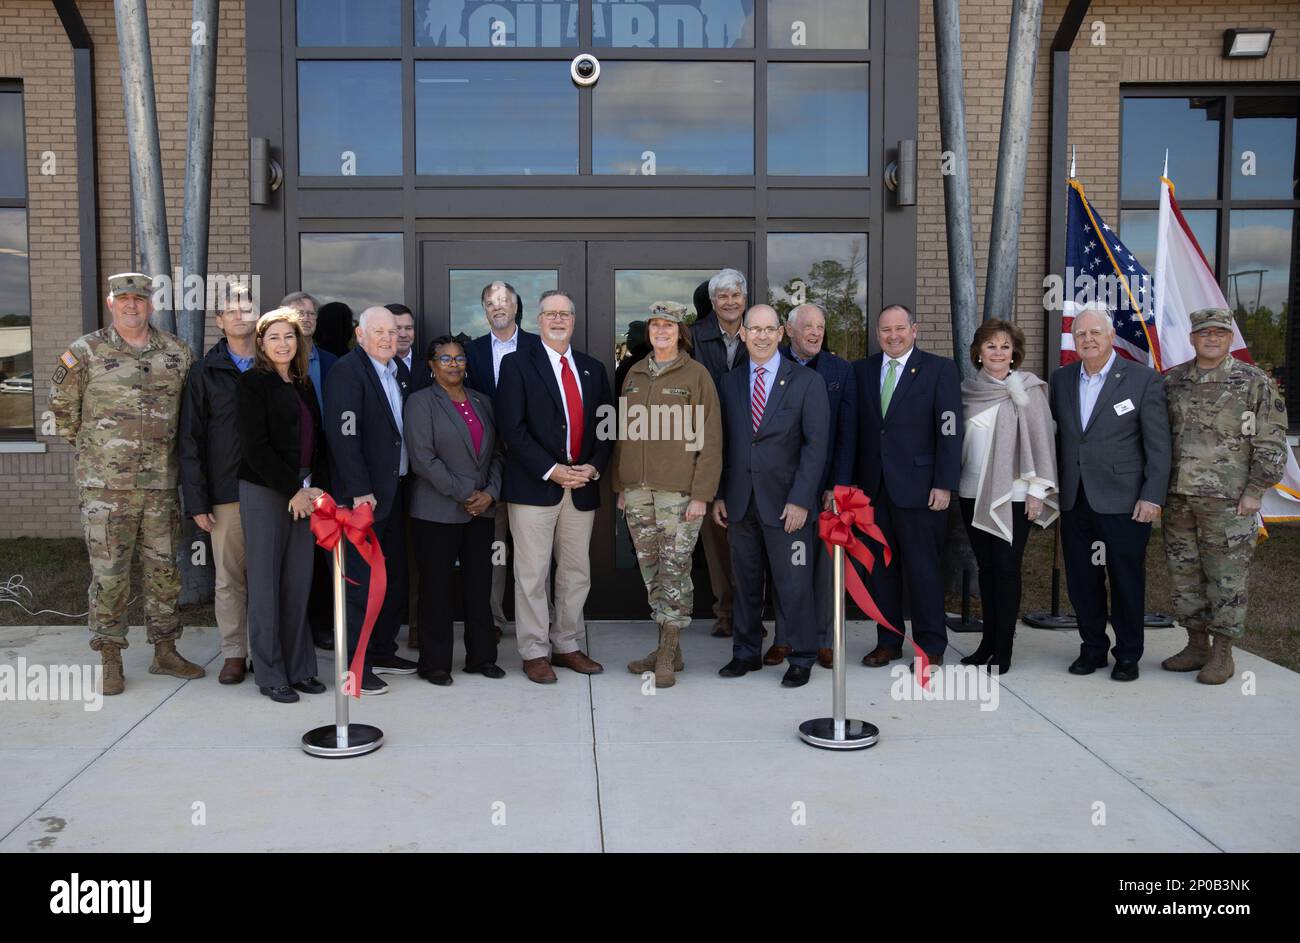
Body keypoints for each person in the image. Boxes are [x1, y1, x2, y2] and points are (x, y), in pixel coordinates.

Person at [48, 272, 204, 695]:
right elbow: (63, 412)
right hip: (106, 489)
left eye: (139, 298)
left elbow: (191, 416)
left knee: (163, 572)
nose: (131, 305)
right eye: (123, 298)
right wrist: (97, 454)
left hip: (160, 486)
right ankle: (111, 656)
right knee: (109, 574)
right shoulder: (86, 351)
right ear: (110, 302)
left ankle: (165, 650)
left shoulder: (176, 353)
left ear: (151, 304)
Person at [1161, 307, 1289, 684]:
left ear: (1230, 338)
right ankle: (1196, 644)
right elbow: (1157, 438)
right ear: (1192, 338)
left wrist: (1255, 491)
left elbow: (1272, 441)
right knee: (1184, 575)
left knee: (1226, 578)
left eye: (1219, 332)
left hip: (1229, 501)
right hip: (1179, 497)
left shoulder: (1254, 382)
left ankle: (1223, 653)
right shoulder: (1174, 382)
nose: (1212, 338)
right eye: (1204, 333)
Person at [496, 289, 613, 684]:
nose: (558, 320)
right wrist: (552, 469)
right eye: (550, 314)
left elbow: (606, 426)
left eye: (565, 314)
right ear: (539, 321)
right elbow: (511, 429)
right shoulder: (516, 365)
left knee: (576, 572)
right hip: (535, 486)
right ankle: (534, 651)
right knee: (532, 573)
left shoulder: (593, 368)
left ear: (574, 321)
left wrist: (593, 468)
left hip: (582, 486)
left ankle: (566, 644)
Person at [1048, 304, 1171, 682]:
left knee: (1125, 580)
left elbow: (1159, 445)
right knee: (1082, 580)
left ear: (1111, 336)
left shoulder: (1142, 380)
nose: (1087, 339)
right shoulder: (1061, 379)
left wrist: (1152, 496)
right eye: (1081, 334)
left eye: (1094, 333)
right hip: (1076, 499)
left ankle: (1128, 654)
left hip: (1124, 501)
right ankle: (1093, 649)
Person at [713, 305, 829, 688]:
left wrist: (800, 500)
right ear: (742, 334)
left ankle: (801, 654)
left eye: (768, 329)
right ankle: (745, 653)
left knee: (794, 583)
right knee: (745, 582)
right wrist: (720, 496)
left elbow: (816, 447)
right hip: (741, 501)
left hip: (788, 506)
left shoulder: (806, 382)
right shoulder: (729, 383)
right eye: (754, 329)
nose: (761, 336)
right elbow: (723, 444)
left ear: (781, 333)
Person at [613, 301, 722, 688]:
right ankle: (670, 650)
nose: (661, 331)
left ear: (680, 333)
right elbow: (623, 434)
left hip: (679, 493)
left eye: (669, 326)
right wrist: (620, 485)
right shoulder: (634, 374)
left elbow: (710, 440)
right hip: (637, 491)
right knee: (652, 571)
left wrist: (701, 494)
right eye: (656, 325)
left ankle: (665, 651)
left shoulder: (696, 376)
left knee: (675, 571)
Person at [853, 304, 963, 670]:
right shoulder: (863, 370)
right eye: (886, 330)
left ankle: (931, 644)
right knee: (881, 572)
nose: (893, 336)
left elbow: (949, 429)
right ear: (878, 334)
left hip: (921, 491)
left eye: (900, 328)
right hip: (874, 492)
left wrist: (944, 483)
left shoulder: (939, 369)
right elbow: (857, 433)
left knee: (923, 571)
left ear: (914, 330)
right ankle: (888, 641)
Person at [322, 306, 418, 694]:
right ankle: (354, 666)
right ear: (359, 335)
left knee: (390, 579)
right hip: (365, 498)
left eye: (392, 332)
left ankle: (382, 649)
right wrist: (359, 490)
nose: (386, 338)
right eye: (377, 331)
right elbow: (344, 436)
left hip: (395, 491)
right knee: (360, 585)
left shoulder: (397, 372)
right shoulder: (348, 371)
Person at [236, 308, 329, 703]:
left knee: (297, 582)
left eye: (288, 337)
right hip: (266, 491)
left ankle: (300, 668)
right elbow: (254, 446)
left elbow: (318, 438)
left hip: (302, 492)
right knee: (265, 584)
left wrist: (314, 488)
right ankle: (271, 673)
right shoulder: (251, 383)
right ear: (261, 342)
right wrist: (293, 488)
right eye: (273, 337)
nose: (282, 344)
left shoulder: (303, 382)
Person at [958, 318, 1059, 674]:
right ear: (979, 353)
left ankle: (1004, 647)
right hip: (971, 492)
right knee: (985, 569)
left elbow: (1042, 442)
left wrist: (1036, 491)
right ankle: (986, 642)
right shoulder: (968, 392)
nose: (998, 352)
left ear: (1013, 353)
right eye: (990, 346)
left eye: (1004, 346)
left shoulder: (1029, 389)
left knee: (1006, 569)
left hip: (1014, 495)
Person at [404, 335, 506, 683]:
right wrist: (468, 492)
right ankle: (434, 664)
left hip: (481, 511)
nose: (453, 364)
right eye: (444, 359)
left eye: (459, 358)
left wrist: (490, 493)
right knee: (436, 589)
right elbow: (423, 459)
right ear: (431, 366)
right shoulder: (420, 402)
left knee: (479, 587)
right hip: (437, 511)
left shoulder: (483, 401)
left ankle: (481, 658)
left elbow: (496, 454)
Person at [765, 302, 857, 669]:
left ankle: (822, 640)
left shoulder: (839, 371)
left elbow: (847, 434)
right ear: (789, 331)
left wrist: (838, 484)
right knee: (789, 567)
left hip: (826, 489)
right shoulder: (773, 366)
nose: (816, 332)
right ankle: (785, 638)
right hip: (784, 489)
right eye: (808, 326)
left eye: (820, 326)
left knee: (826, 568)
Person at [179, 288, 258, 684]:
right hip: (226, 492)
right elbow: (190, 439)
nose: (240, 315)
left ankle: (267, 649)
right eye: (232, 310)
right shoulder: (203, 372)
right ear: (219, 321)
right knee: (230, 578)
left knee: (269, 574)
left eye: (248, 308)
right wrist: (197, 500)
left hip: (274, 491)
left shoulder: (276, 362)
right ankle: (233, 652)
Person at [465, 280, 543, 638]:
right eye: (490, 303)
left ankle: (544, 619)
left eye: (504, 302)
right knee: (494, 548)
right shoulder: (472, 351)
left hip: (531, 464)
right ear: (485, 310)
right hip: (488, 465)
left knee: (535, 550)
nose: (497, 307)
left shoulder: (537, 347)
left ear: (516, 308)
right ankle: (494, 619)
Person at [691, 268, 749, 638]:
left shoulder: (760, 334)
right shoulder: (694, 337)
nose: (730, 302)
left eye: (735, 295)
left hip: (750, 447)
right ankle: (726, 612)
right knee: (716, 540)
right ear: (712, 303)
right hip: (708, 447)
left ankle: (751, 613)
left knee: (749, 538)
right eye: (722, 297)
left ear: (744, 298)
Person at [281, 290, 340, 651]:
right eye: (297, 312)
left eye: (311, 313)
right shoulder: (275, 363)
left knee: (321, 548)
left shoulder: (333, 361)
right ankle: (291, 624)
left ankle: (320, 623)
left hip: (324, 465)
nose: (305, 318)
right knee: (287, 551)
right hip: (285, 468)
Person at [388, 302, 433, 392]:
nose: (403, 334)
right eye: (397, 328)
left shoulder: (430, 366)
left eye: (408, 328)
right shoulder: (372, 366)